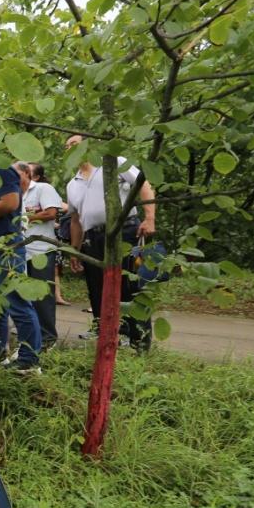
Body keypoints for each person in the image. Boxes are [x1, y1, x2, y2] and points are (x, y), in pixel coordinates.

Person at [64, 134, 157, 350]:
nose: (70, 148)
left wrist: (150, 217)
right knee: (97, 287)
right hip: (93, 238)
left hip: (124, 231)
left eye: (74, 144)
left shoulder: (113, 162)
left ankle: (138, 339)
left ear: (89, 145)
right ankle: (108, 335)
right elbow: (76, 220)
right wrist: (75, 251)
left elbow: (143, 185)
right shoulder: (72, 183)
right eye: (66, 146)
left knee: (131, 285)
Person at [0, 127, 41, 372]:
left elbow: (10, 202)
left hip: (8, 247)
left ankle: (29, 359)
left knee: (17, 301)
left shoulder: (2, 168)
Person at [20, 162, 62, 348]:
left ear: (29, 175)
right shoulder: (16, 193)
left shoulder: (43, 188)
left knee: (43, 296)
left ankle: (47, 338)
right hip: (22, 250)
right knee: (24, 295)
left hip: (40, 250)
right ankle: (31, 337)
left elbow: (51, 212)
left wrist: (26, 217)